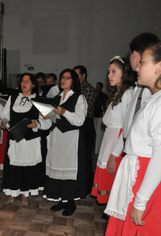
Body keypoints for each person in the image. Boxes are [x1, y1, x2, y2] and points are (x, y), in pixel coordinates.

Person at [104, 40, 161, 235]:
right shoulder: (157, 98)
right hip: (139, 174)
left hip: (148, 179)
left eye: (143, 62)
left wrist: (141, 201)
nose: (137, 66)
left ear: (160, 67)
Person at [110, 33, 160, 170]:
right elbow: (129, 124)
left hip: (143, 156)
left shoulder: (152, 90)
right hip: (132, 151)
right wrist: (115, 154)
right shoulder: (139, 86)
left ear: (136, 55)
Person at [1, 73, 52, 206]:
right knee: (13, 165)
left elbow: (48, 123)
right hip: (15, 138)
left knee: (28, 167)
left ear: (33, 84)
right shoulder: (12, 98)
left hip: (30, 140)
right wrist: (4, 122)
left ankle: (25, 194)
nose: (25, 83)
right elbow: (4, 116)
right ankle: (12, 191)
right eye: (23, 81)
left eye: (28, 81)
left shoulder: (40, 101)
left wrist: (37, 124)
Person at [43, 69, 87, 216]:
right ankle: (61, 199)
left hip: (70, 138)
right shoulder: (56, 97)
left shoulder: (79, 98)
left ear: (73, 81)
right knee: (57, 167)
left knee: (69, 170)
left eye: (68, 78)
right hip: (56, 137)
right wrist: (45, 116)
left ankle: (70, 202)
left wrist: (64, 112)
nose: (64, 80)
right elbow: (50, 119)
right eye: (63, 77)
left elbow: (80, 120)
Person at [91, 56, 135, 204]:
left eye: (114, 71)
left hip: (116, 142)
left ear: (124, 73)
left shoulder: (128, 94)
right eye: (109, 72)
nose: (109, 75)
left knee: (115, 190)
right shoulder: (116, 93)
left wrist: (114, 156)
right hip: (109, 139)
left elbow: (127, 127)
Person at [73, 65, 96, 194]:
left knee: (86, 156)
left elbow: (84, 112)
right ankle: (78, 183)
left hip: (86, 124)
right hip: (76, 124)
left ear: (83, 76)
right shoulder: (76, 89)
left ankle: (87, 186)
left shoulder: (88, 89)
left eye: (77, 75)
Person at [93, 82, 108, 154]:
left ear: (101, 88)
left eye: (98, 86)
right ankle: (96, 150)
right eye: (96, 86)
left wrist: (103, 114)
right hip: (94, 115)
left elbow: (105, 106)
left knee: (99, 133)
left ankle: (98, 150)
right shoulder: (94, 95)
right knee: (96, 133)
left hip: (100, 115)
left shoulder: (103, 96)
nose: (97, 87)